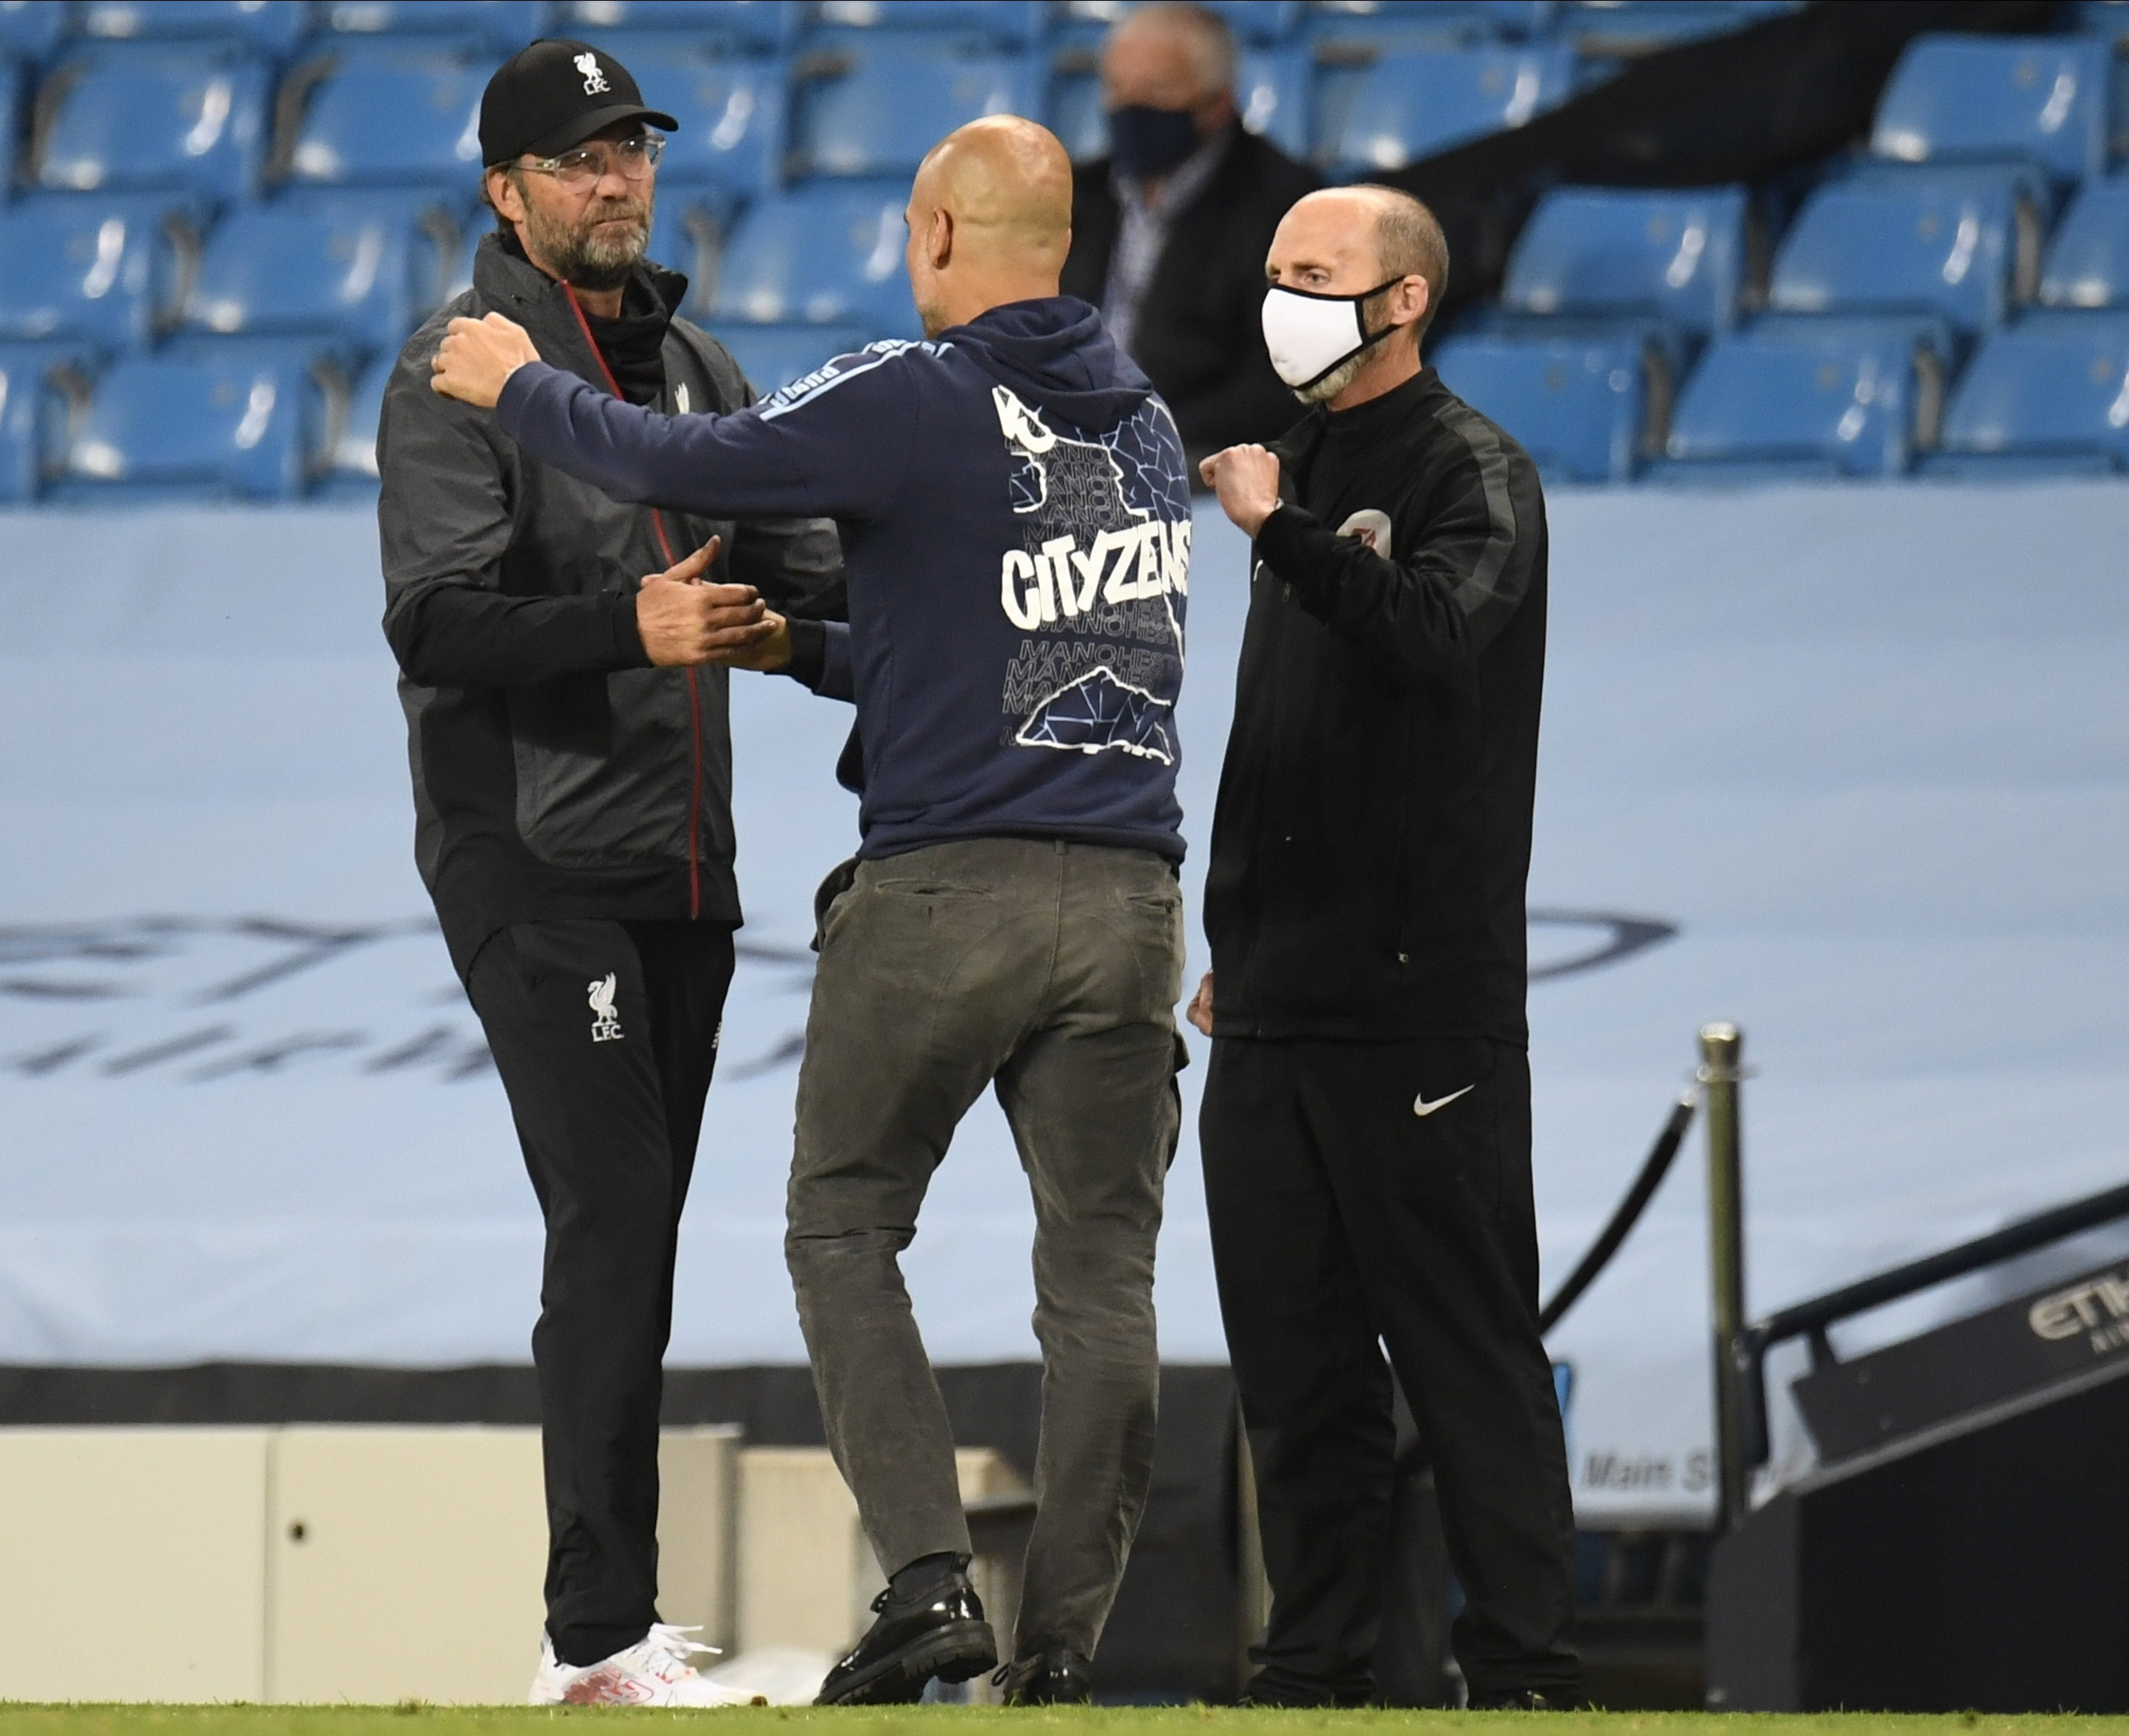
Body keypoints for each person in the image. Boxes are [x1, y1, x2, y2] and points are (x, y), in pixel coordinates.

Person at [430, 117, 1194, 1709]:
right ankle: (1060, 1651)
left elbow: (689, 464)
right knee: (1105, 1275)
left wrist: (521, 391)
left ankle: (928, 1589)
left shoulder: (914, 394)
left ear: (936, 234)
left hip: (949, 891)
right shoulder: (1145, 427)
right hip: (1130, 896)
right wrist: (802, 651)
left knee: (844, 1224)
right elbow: (1014, 655)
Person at [376, 38, 841, 1709]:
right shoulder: (457, 363)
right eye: (580, 159)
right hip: (535, 854)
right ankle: (593, 1636)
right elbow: (430, 617)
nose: (618, 180)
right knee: (615, 1209)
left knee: (632, 1233)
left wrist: (901, 642)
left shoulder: (699, 365)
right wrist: (625, 623)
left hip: (685, 863)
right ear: (503, 193)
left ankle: (610, 1628)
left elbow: (800, 568)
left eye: (632, 149)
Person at [1192, 185, 1580, 1709]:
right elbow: (1289, 734)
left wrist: (1280, 532)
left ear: (1402, 301)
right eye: (1275, 268)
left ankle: (1529, 1671)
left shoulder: (1471, 467)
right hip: (1277, 1006)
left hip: (1424, 1010)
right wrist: (1244, 934)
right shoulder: (1292, 466)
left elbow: (1433, 636)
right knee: (1295, 1381)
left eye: (1315, 273)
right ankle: (1316, 1673)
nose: (1280, 296)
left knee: (1469, 1360)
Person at [1061, 1, 1323, 465]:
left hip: (1197, 458)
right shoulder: (1079, 194)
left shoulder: (1285, 207)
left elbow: (1281, 385)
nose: (1130, 107)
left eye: (1156, 90)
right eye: (1116, 88)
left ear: (1218, 101)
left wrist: (1148, 430)